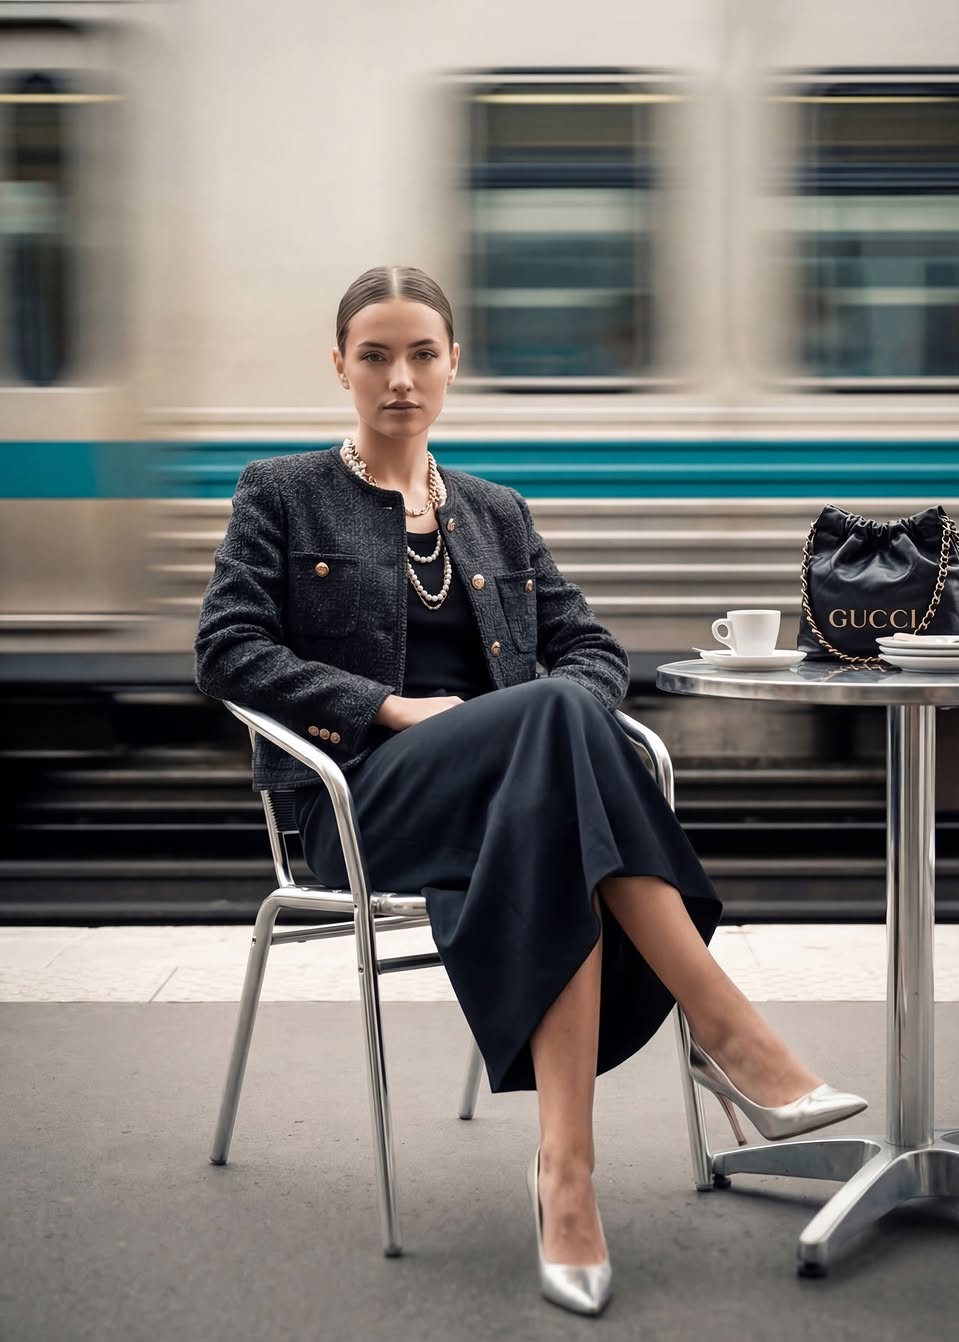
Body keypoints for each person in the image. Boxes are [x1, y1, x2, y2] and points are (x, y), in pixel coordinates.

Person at [194, 265, 867, 1317]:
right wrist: (390, 707)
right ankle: (729, 1034)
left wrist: (559, 717)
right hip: (364, 805)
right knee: (556, 726)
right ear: (340, 367)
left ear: (454, 364)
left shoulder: (495, 513)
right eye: (375, 355)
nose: (400, 378)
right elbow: (226, 650)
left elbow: (591, 648)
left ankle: (569, 1179)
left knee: (558, 755)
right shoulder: (279, 492)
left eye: (422, 353)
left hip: (518, 799)